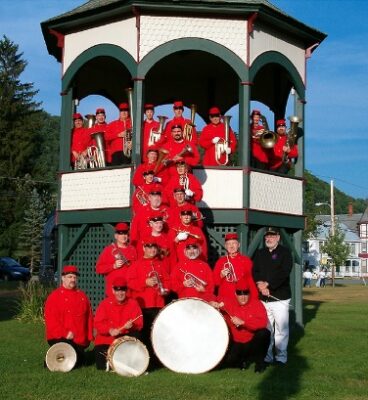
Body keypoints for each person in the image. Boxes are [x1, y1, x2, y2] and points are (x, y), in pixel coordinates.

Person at [252, 227, 293, 366]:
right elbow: (255, 271)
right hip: (263, 298)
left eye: (272, 236)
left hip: (280, 297)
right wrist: (260, 285)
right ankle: (267, 356)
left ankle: (281, 357)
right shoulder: (260, 253)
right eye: (267, 237)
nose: (269, 239)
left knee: (281, 329)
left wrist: (268, 285)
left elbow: (284, 272)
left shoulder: (285, 253)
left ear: (278, 237)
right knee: (267, 329)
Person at [127, 240, 170, 365]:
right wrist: (144, 283)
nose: (152, 250)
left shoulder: (160, 264)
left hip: (158, 303)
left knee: (156, 333)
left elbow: (168, 281)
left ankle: (156, 360)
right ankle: (142, 359)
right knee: (143, 333)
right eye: (149, 248)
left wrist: (165, 290)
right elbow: (129, 282)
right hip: (142, 304)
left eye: (154, 248)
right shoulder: (135, 265)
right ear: (144, 248)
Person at [214, 281, 270, 373]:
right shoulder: (228, 302)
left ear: (249, 293)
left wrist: (244, 323)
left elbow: (263, 322)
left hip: (251, 342)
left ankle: (260, 364)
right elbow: (214, 298)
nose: (243, 297)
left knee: (264, 333)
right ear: (236, 294)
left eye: (246, 293)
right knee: (228, 362)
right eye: (240, 293)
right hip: (236, 342)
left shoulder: (257, 304)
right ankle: (241, 362)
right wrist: (212, 302)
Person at [44, 265, 93, 365]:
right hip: (60, 337)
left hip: (79, 339)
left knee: (81, 362)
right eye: (70, 277)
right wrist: (65, 333)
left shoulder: (82, 296)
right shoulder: (54, 297)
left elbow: (89, 318)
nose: (73, 280)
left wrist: (90, 336)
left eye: (75, 277)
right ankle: (52, 360)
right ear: (63, 278)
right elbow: (51, 321)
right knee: (71, 362)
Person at [93, 276, 143, 370]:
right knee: (102, 366)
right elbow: (97, 324)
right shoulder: (105, 304)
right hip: (107, 339)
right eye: (117, 289)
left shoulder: (133, 303)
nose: (120, 293)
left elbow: (139, 323)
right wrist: (109, 330)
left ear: (126, 290)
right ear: (112, 290)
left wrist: (131, 326)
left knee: (137, 335)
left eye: (123, 290)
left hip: (124, 340)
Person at [95, 222, 137, 298]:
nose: (124, 236)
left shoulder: (133, 249)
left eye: (125, 234)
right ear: (116, 236)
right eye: (121, 234)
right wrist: (113, 266)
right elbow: (98, 269)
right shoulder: (108, 250)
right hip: (114, 292)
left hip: (130, 291)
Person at [213, 233, 257, 301]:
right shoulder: (220, 262)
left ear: (238, 245)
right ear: (225, 246)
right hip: (225, 298)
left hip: (241, 298)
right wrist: (221, 275)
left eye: (234, 243)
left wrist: (254, 298)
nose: (231, 246)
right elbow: (215, 282)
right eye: (229, 244)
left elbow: (251, 281)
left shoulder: (246, 261)